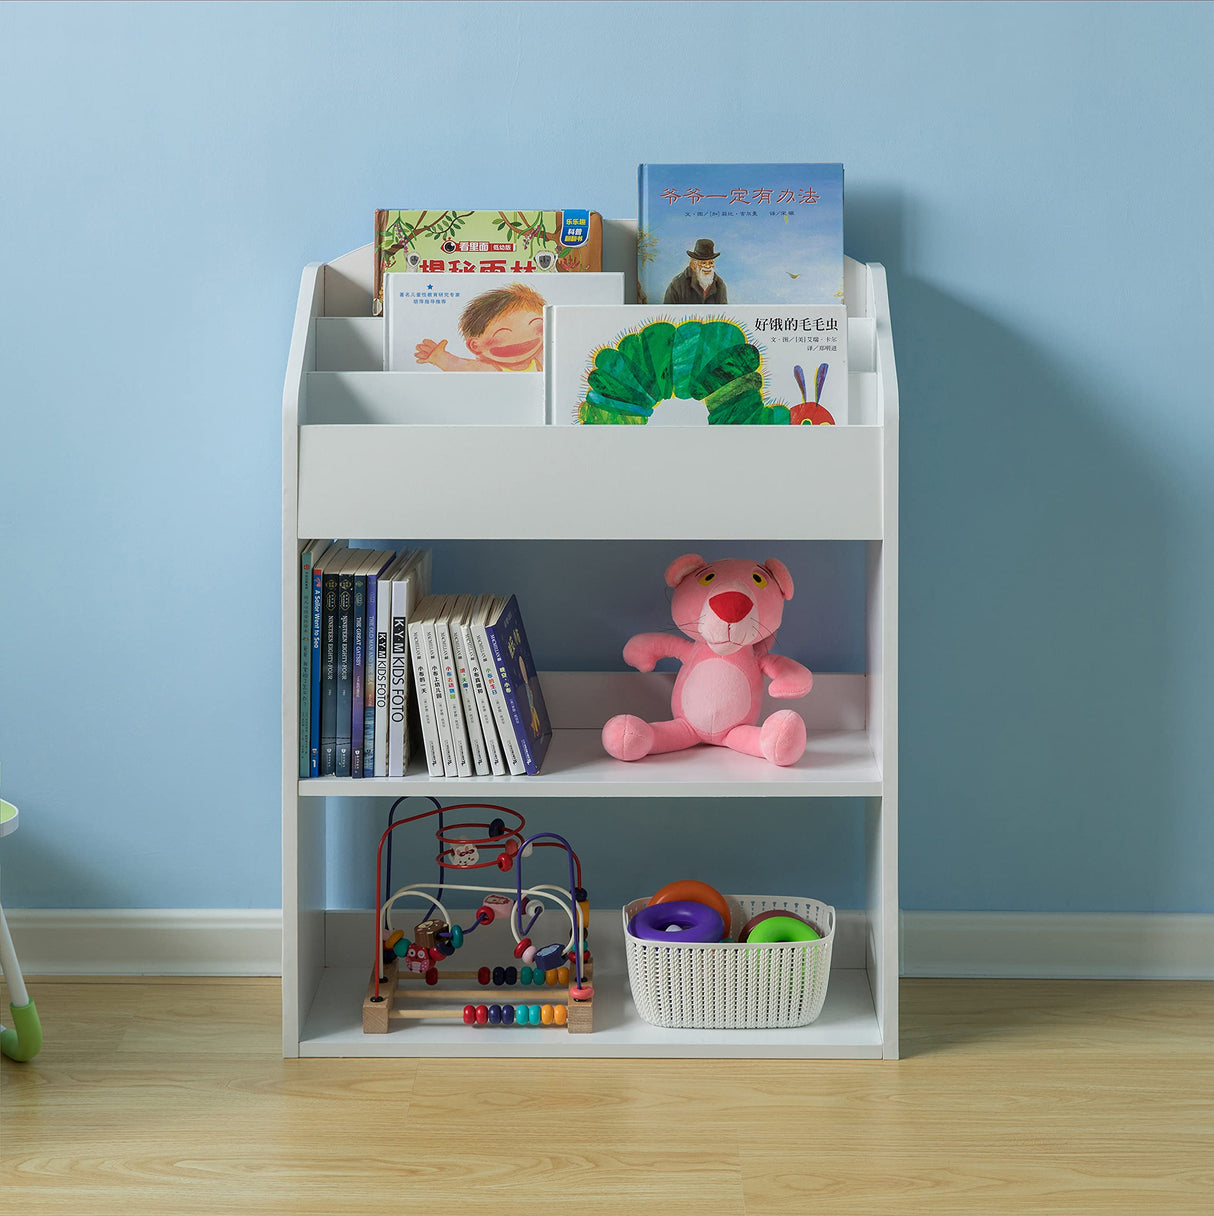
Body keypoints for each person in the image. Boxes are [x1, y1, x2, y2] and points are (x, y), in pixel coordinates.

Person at [415, 281, 547, 372]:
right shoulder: (491, 369)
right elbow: (462, 367)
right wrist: (440, 357)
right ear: (475, 345)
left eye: (538, 328)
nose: (523, 339)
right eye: (504, 334)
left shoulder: (538, 358)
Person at [663, 238, 728, 305]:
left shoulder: (719, 284)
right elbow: (667, 309)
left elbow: (723, 310)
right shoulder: (677, 284)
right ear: (693, 265)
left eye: (711, 263)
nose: (708, 267)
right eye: (703, 263)